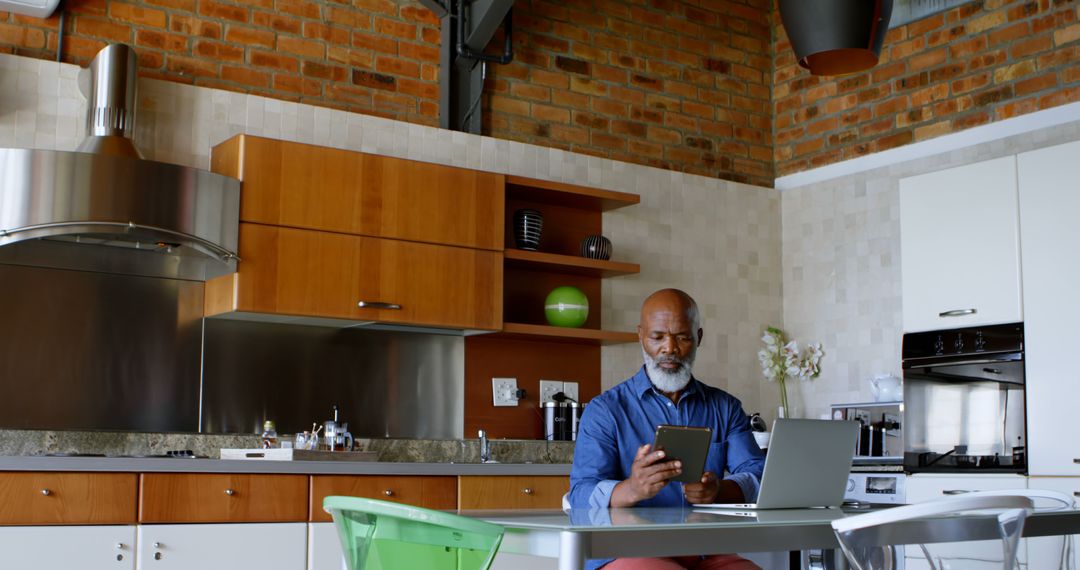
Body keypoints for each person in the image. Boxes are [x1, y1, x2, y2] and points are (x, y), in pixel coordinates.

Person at [569, 288, 766, 570]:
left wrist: (719, 490)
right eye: (658, 337)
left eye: (683, 337)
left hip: (706, 551)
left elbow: (759, 475)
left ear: (698, 338)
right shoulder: (605, 410)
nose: (670, 348)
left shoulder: (726, 407)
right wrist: (632, 489)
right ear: (641, 336)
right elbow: (580, 495)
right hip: (626, 549)